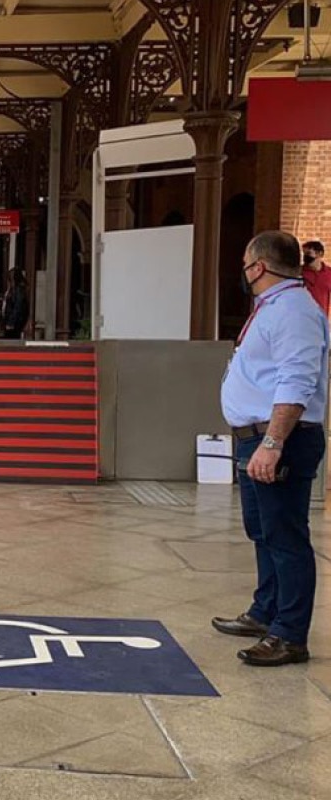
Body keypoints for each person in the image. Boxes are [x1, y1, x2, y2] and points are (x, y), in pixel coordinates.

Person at [213, 230, 328, 667]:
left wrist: (273, 442)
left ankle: (289, 634)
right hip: (256, 438)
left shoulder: (295, 311)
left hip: (279, 440)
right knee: (263, 532)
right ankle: (266, 612)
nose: (244, 272)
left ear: (259, 266)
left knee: (286, 537)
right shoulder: (273, 309)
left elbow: (296, 381)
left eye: (245, 264)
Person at [301, 240, 331, 316]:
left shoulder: (329, 273)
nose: (305, 257)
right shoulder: (299, 273)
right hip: (303, 317)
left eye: (308, 253)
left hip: (321, 318)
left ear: (319, 254)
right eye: (304, 254)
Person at [1, 268, 30, 340]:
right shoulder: (12, 290)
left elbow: (18, 307)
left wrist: (11, 322)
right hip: (10, 320)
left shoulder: (19, 291)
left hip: (14, 323)